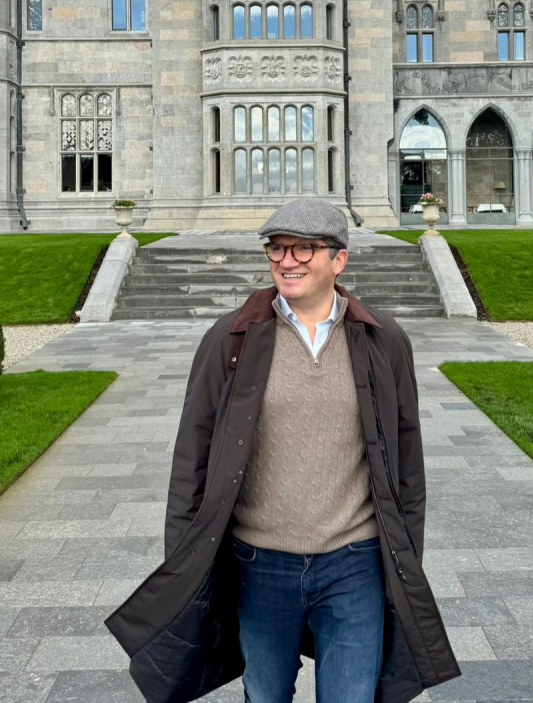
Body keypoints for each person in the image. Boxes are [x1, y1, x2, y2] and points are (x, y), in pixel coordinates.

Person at [106, 200, 460, 703]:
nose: (286, 261)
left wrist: (405, 563)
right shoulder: (230, 340)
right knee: (265, 694)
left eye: (303, 249)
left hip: (354, 563)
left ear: (339, 260)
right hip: (260, 564)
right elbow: (192, 461)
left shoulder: (384, 341)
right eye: (276, 248)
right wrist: (184, 566)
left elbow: (407, 468)